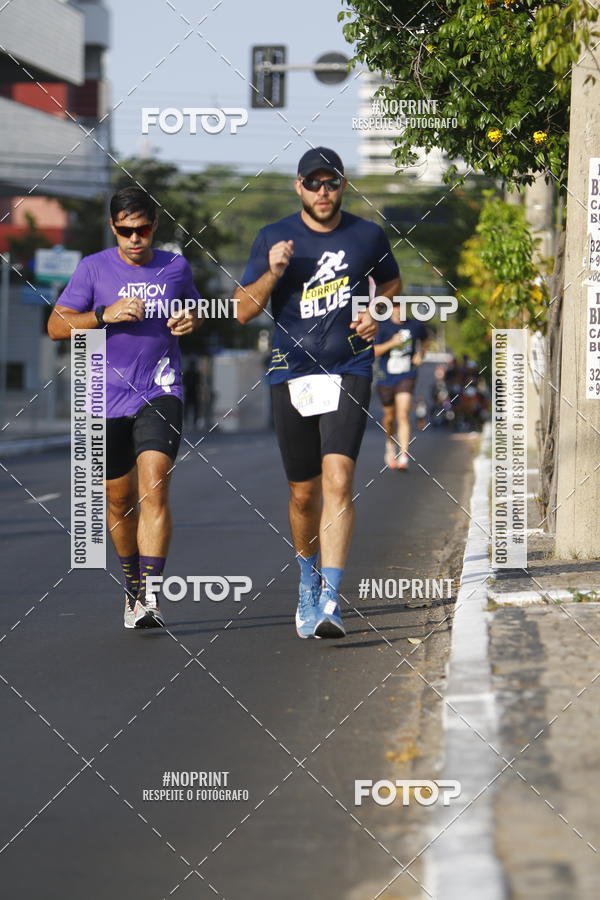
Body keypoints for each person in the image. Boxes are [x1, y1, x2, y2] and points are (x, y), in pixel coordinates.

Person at [233, 147, 401, 639]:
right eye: (314, 183)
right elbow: (243, 310)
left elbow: (390, 284)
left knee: (339, 480)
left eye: (331, 183)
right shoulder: (272, 237)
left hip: (349, 365)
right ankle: (306, 576)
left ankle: (331, 597)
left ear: (343, 186)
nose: (323, 192)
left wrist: (377, 313)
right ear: (299, 187)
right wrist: (274, 271)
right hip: (292, 372)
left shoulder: (367, 234)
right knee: (303, 495)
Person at [47, 186, 202, 629]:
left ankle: (150, 597)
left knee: (154, 482)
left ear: (154, 226)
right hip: (103, 397)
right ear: (113, 228)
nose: (135, 239)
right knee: (118, 502)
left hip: (159, 389)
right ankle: (132, 588)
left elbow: (192, 307)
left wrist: (192, 318)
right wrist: (103, 315)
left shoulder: (175, 266)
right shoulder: (93, 269)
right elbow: (56, 326)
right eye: (125, 231)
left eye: (143, 229)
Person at [374, 302, 428, 470]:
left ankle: (404, 455)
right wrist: (392, 343)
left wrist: (420, 353)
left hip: (407, 374)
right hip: (386, 377)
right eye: (396, 308)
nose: (399, 311)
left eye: (402, 308)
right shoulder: (382, 327)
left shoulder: (415, 325)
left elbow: (425, 340)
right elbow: (374, 351)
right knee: (389, 418)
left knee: (403, 414)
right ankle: (390, 445)